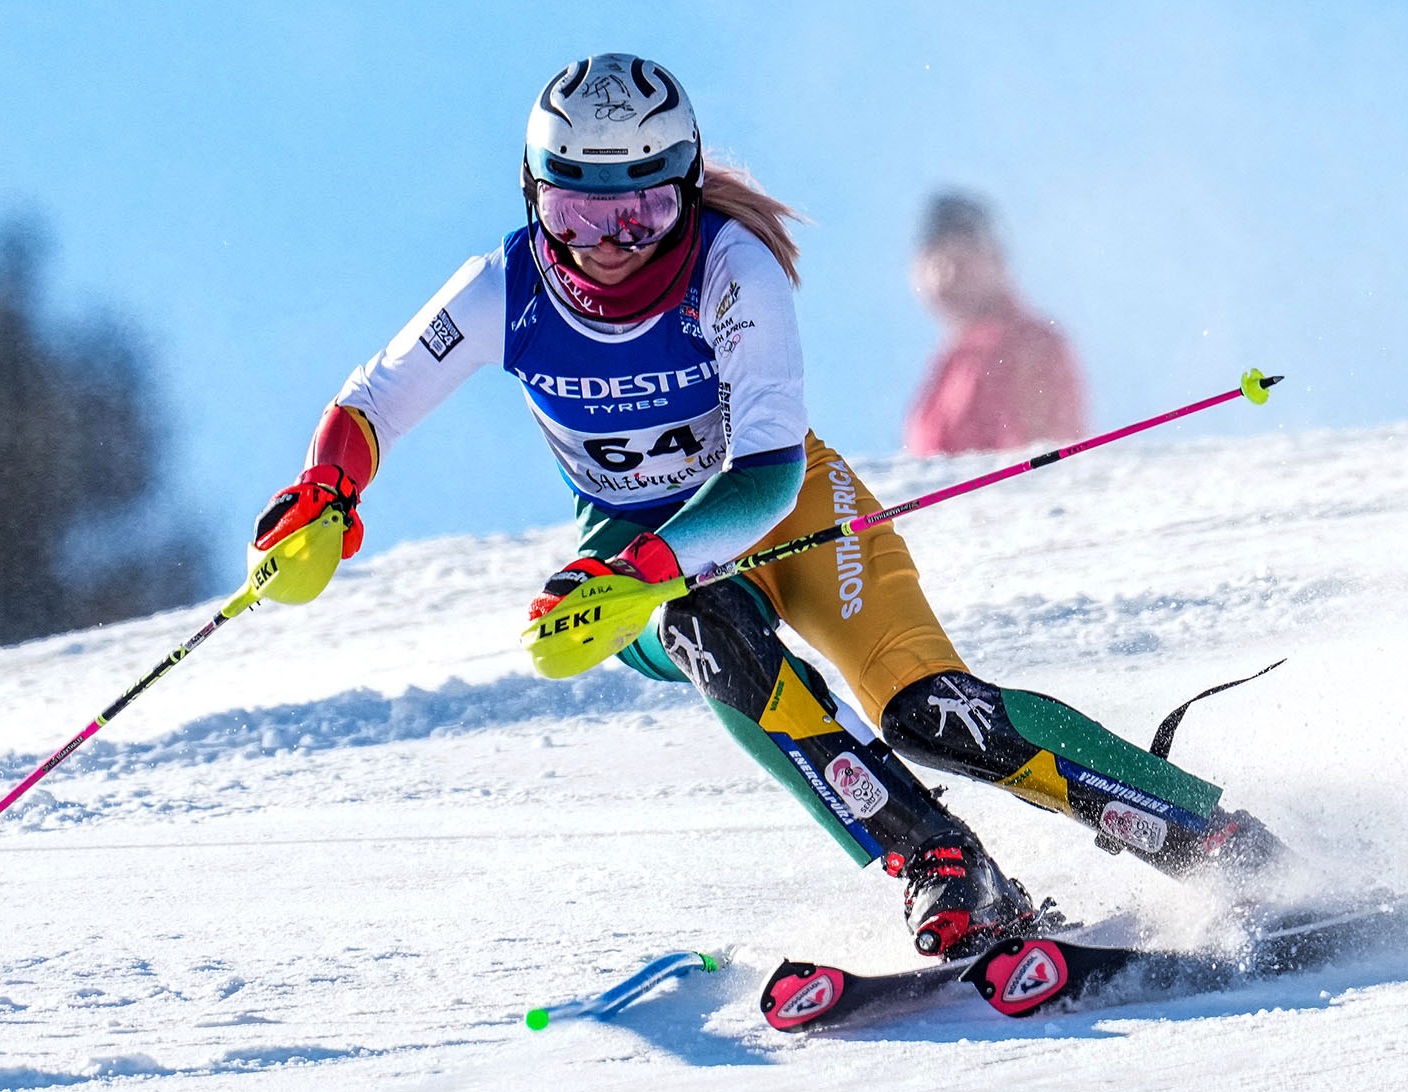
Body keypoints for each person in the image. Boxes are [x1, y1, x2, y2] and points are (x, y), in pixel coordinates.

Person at [253, 53, 1284, 961]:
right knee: (711, 634)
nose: (610, 248)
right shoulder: (506, 287)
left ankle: (1210, 837)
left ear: (687, 194)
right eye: (578, 215)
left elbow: (765, 474)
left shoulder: (731, 268)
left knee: (930, 710)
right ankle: (942, 866)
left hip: (786, 512)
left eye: (643, 213)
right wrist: (326, 492)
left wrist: (653, 569)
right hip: (628, 542)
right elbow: (371, 403)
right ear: (535, 199)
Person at [903, 192, 1088, 456]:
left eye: (961, 261)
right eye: (935, 265)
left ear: (997, 263)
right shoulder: (954, 361)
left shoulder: (1029, 343)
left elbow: (1045, 458)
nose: (948, 279)